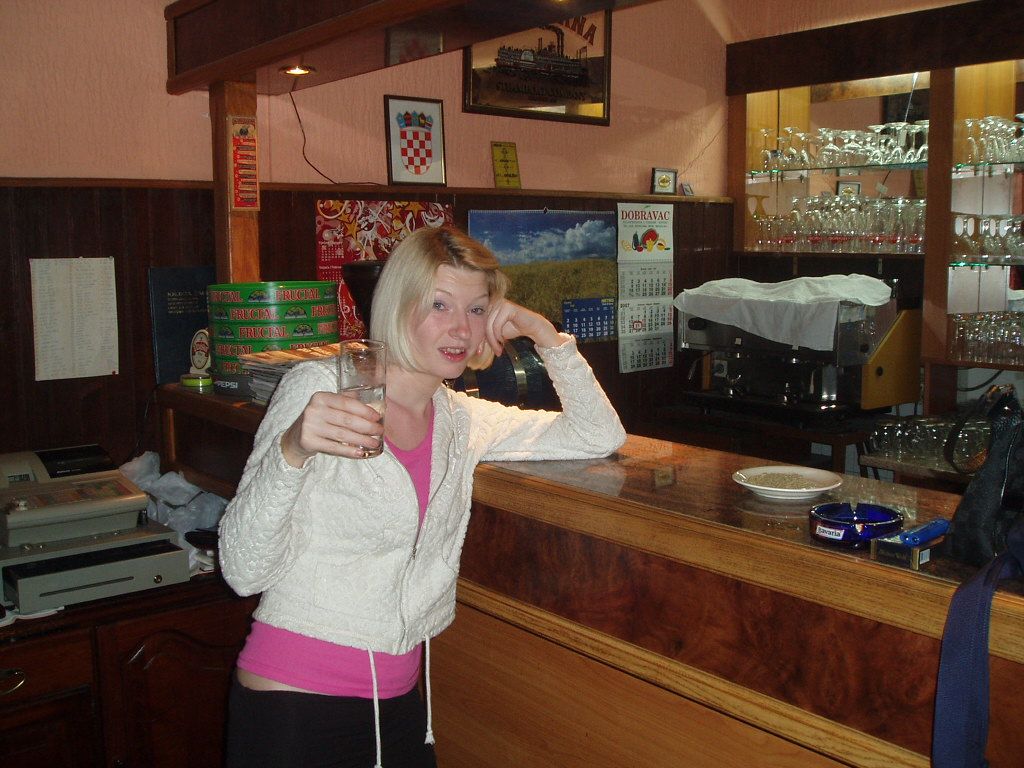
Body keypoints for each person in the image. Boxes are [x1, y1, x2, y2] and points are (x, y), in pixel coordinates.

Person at [220, 224, 626, 768]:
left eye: (477, 309)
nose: (460, 327)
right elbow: (242, 570)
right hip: (294, 704)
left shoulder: (462, 421)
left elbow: (598, 435)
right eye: (439, 304)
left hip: (400, 705)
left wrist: (546, 337)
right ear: (399, 305)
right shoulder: (321, 390)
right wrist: (290, 450)